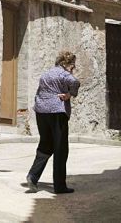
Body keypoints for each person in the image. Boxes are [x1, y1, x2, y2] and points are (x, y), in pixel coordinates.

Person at [26, 51, 80, 194]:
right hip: (57, 112)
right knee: (60, 149)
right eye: (73, 66)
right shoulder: (64, 74)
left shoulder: (46, 73)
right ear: (68, 64)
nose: (73, 68)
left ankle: (33, 176)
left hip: (41, 112)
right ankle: (59, 186)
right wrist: (69, 94)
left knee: (46, 145)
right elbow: (75, 82)